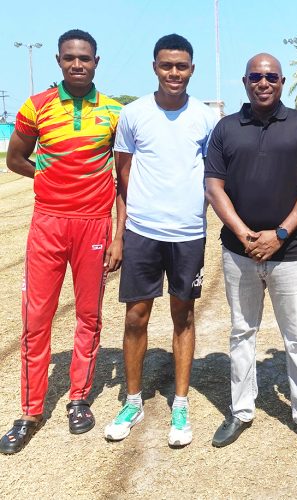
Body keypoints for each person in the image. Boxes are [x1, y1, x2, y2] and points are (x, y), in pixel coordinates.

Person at [0, 29, 122, 454]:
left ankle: (78, 399)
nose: (77, 64)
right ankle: (30, 411)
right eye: (69, 57)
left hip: (93, 226)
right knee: (36, 320)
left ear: (96, 61)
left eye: (84, 58)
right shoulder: (36, 107)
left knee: (88, 315)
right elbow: (16, 157)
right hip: (48, 224)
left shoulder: (112, 112)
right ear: (57, 60)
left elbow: (123, 179)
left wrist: (117, 235)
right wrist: (48, 179)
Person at [205, 53, 297, 455]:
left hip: (290, 252)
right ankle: (241, 410)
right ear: (244, 81)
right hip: (239, 253)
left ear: (282, 81)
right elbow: (214, 187)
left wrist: (279, 233)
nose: (263, 83)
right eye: (256, 76)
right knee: (242, 332)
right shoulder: (226, 128)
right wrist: (243, 234)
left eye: (271, 77)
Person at [103, 34, 217, 447]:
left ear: (192, 69)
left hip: (188, 234)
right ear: (155, 67)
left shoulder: (206, 119)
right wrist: (121, 233)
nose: (174, 72)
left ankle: (181, 403)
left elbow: (215, 177)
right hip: (143, 234)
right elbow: (123, 178)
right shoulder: (133, 115)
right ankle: (132, 400)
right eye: (167, 65)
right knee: (136, 317)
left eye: (181, 66)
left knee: (183, 316)